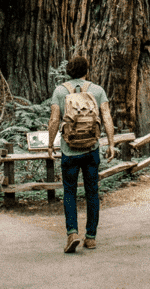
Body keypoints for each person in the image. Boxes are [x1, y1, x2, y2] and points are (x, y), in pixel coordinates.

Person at [47, 55, 116, 253]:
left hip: (69, 151)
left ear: (69, 71)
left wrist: (50, 145)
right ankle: (91, 237)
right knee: (92, 192)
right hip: (91, 149)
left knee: (69, 192)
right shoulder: (97, 90)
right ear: (87, 70)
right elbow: (107, 117)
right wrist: (111, 143)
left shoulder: (60, 91)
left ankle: (72, 233)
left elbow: (54, 120)